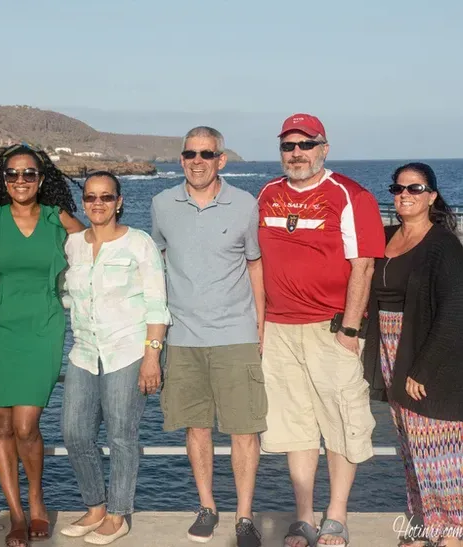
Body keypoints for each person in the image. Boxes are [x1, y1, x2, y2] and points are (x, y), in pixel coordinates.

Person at [257, 114, 385, 547]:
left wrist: (349, 329)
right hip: (278, 330)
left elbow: (363, 265)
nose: (296, 153)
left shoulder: (351, 195)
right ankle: (304, 517)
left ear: (323, 149)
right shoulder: (268, 193)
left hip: (331, 330)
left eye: (305, 145)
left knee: (341, 421)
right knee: (295, 426)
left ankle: (336, 515)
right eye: (288, 146)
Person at [151, 127, 266, 547]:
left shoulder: (245, 205)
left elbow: (255, 265)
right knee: (196, 427)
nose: (197, 160)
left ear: (221, 159)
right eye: (189, 153)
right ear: (181, 159)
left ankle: (245, 517)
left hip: (235, 333)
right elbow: (160, 264)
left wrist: (261, 325)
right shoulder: (162, 205)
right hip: (182, 336)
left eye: (207, 153)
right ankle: (207, 507)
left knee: (244, 429)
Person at [0, 144, 84, 547]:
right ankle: (16, 515)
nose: (20, 181)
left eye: (29, 174)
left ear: (41, 179)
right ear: (2, 180)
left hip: (43, 326)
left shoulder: (59, 220)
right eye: (12, 174)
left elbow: (94, 252)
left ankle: (37, 501)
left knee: (26, 425)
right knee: (1, 424)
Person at [59, 171, 170, 544]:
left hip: (127, 352)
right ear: (84, 203)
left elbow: (157, 305)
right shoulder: (73, 245)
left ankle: (118, 513)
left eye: (106, 197)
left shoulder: (139, 244)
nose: (98, 204)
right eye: (91, 198)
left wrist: (151, 357)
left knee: (122, 436)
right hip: (84, 353)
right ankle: (95, 507)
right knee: (75, 433)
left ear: (119, 202)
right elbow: (63, 293)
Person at [362, 163, 463, 547]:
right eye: (398, 188)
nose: (404, 195)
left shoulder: (443, 246)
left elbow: (455, 312)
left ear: (432, 196)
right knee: (409, 443)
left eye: (415, 188)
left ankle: (452, 529)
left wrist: (422, 368)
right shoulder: (385, 237)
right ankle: (423, 522)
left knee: (439, 445)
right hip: (390, 349)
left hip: (426, 352)